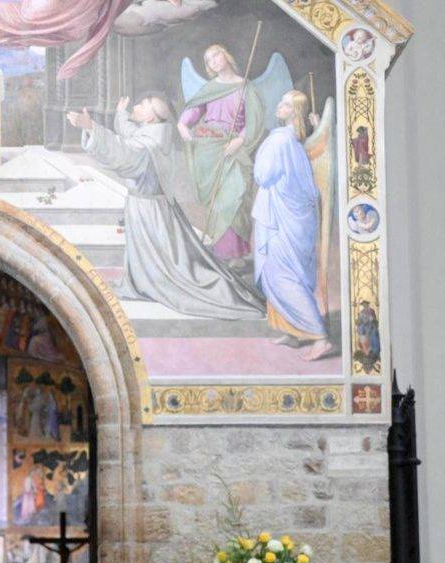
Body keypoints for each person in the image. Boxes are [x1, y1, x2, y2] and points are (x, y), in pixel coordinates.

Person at [71, 96, 266, 319]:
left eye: (142, 105)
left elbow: (124, 153)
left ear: (150, 117)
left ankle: (154, 283)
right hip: (152, 206)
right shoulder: (155, 133)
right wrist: (122, 113)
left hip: (148, 210)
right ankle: (147, 280)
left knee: (167, 265)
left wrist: (91, 127)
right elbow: (129, 135)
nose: (136, 105)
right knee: (161, 257)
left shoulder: (148, 145)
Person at [252, 91, 331, 360]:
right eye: (281, 100)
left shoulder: (280, 141)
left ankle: (319, 337)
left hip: (281, 219)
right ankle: (293, 330)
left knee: (281, 274)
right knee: (285, 272)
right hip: (289, 217)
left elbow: (263, 175)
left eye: (285, 103)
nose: (279, 105)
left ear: (294, 112)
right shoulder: (295, 142)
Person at [178, 44, 266, 263]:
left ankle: (236, 253)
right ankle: (223, 252)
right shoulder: (210, 88)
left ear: (226, 55)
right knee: (219, 203)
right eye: (208, 60)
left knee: (235, 198)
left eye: (216, 55)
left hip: (235, 149)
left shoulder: (246, 87)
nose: (214, 61)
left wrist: (239, 140)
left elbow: (255, 121)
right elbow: (193, 112)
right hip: (209, 149)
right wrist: (182, 126)